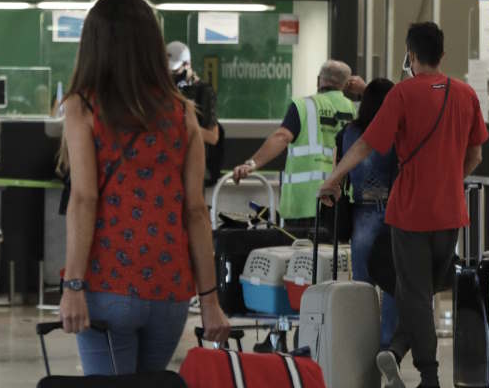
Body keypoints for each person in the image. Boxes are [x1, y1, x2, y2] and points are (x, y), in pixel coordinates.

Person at [58, 0, 231, 373]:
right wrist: (209, 300)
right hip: (169, 291)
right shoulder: (182, 112)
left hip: (108, 284)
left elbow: (84, 199)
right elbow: (196, 211)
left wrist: (72, 287)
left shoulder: (83, 106)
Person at [319, 22, 488, 388]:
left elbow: (365, 144)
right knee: (422, 292)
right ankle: (394, 353)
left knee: (414, 296)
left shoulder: (402, 95)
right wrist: (450, 179)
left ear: (410, 56)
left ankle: (429, 383)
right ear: (442, 56)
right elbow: (476, 153)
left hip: (410, 212)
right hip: (451, 213)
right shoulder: (465, 94)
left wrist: (333, 179)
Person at [232, 60, 365, 228]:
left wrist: (251, 164)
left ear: (319, 80)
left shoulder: (304, 106)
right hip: (342, 204)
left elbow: (282, 137)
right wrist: (365, 89)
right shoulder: (355, 111)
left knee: (300, 254)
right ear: (346, 85)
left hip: (304, 203)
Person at [336, 78, 398, 349]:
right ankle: (386, 345)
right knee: (392, 286)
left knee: (362, 286)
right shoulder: (396, 132)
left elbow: (344, 168)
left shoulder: (350, 131)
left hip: (361, 213)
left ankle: (362, 347)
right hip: (393, 213)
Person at [167, 42, 222, 185]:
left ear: (187, 64)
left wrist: (183, 126)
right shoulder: (165, 91)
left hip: (193, 164)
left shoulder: (203, 92)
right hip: (169, 163)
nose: (172, 76)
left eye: (175, 71)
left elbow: (212, 136)